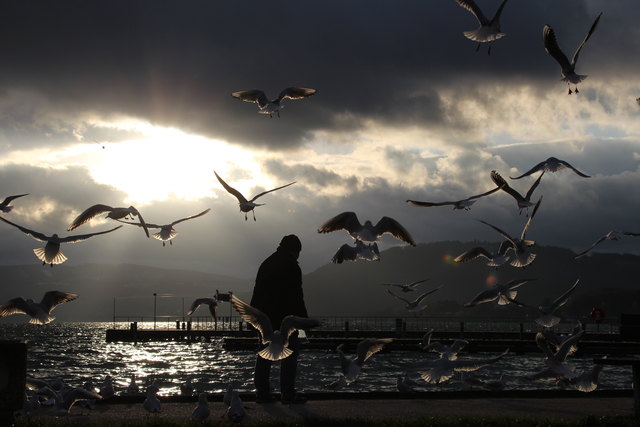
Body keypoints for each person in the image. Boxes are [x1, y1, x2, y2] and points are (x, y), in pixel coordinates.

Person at [250, 234, 308, 404]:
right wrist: (303, 321)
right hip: (285, 320)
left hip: (265, 320)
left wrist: (253, 320)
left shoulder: (266, 263)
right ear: (295, 251)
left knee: (264, 354)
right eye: (298, 252)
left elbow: (257, 293)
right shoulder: (292, 267)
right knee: (290, 356)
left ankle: (262, 393)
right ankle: (287, 394)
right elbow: (297, 297)